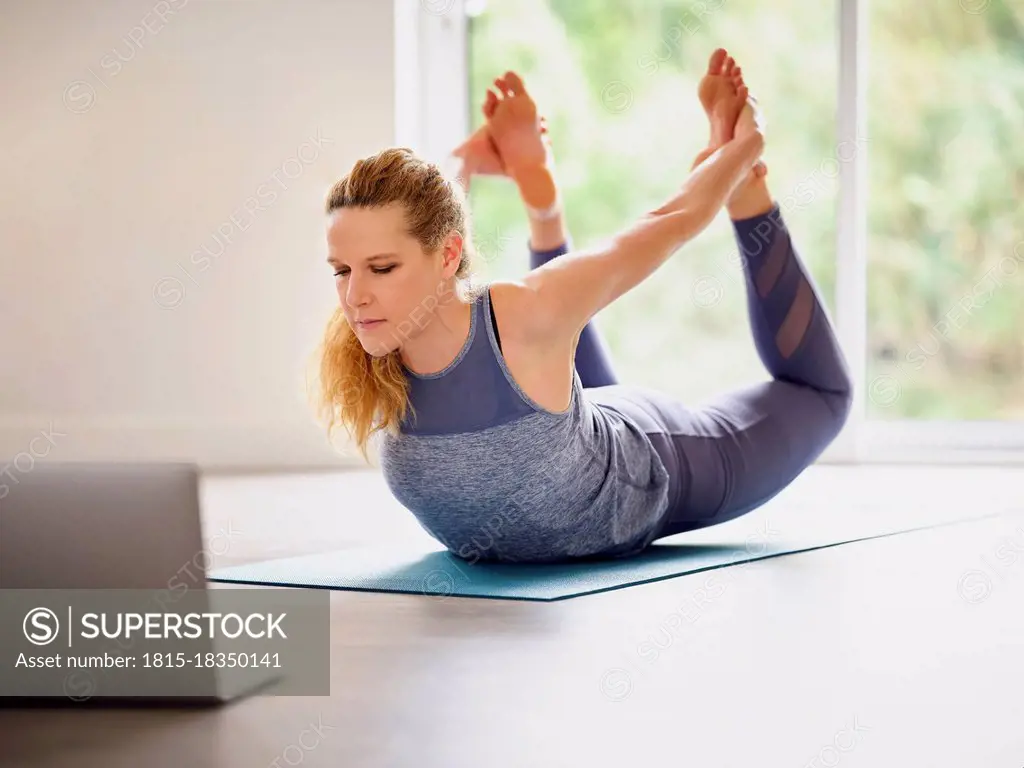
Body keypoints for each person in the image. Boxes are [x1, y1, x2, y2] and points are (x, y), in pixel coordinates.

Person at [315, 48, 852, 564]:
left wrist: (743, 147)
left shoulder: (522, 316)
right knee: (546, 344)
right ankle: (540, 196)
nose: (355, 296)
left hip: (648, 459)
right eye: (341, 270)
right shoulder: (375, 341)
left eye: (381, 269)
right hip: (564, 425)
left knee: (824, 394)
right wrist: (469, 161)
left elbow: (667, 223)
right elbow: (420, 225)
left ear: (449, 254)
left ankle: (745, 194)